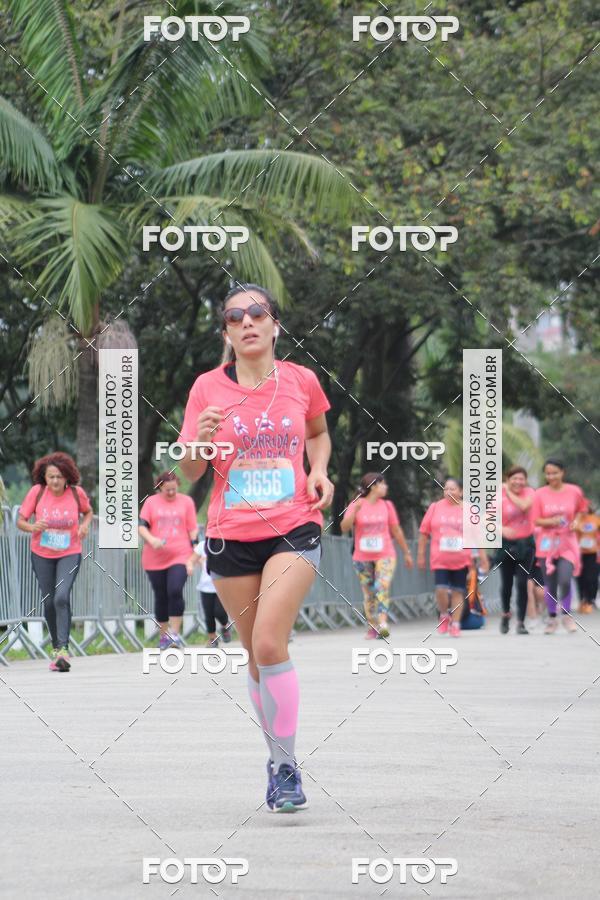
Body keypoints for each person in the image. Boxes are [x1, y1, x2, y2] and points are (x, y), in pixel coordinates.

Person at [178, 283, 333, 813]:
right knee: (253, 657)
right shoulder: (206, 388)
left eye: (257, 313)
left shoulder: (301, 380)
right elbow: (190, 470)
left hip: (294, 526)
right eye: (234, 316)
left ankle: (287, 768)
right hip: (230, 536)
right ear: (226, 332)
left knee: (269, 644)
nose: (247, 322)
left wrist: (319, 470)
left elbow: (318, 433)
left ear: (274, 325)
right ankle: (277, 760)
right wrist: (200, 439)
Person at [17, 452, 93, 672]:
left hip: (70, 552)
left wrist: (84, 525)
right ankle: (56, 647)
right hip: (41, 554)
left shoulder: (76, 493)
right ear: (44, 477)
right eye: (51, 477)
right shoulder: (37, 492)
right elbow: (20, 521)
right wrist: (33, 527)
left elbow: (88, 512)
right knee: (49, 601)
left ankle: (63, 651)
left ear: (67, 476)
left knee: (61, 597)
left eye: (59, 477)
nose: (55, 481)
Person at [340, 472, 413, 639]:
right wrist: (354, 511)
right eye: (383, 484)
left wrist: (406, 552)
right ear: (373, 486)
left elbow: (396, 530)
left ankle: (383, 623)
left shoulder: (387, 506)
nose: (386, 487)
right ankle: (372, 626)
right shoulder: (356, 504)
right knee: (369, 593)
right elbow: (344, 527)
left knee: (382, 586)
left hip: (385, 554)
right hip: (362, 557)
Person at [417, 477, 489, 637]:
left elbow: (477, 536)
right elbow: (424, 532)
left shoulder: (469, 509)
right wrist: (420, 555)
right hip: (440, 558)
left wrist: (483, 558)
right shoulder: (435, 507)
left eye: (453, 489)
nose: (448, 492)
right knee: (441, 589)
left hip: (462, 559)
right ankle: (444, 615)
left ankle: (455, 624)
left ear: (461, 492)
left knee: (458, 591)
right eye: (446, 489)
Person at [139, 472, 198, 649]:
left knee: (175, 590)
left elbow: (192, 528)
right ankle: (164, 636)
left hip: (180, 554)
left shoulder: (186, 502)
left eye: (174, 489)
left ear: (178, 486)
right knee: (161, 595)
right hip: (154, 558)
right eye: (167, 490)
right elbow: (141, 527)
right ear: (160, 488)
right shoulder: (151, 502)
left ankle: (175, 634)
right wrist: (152, 540)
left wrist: (196, 549)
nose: (171, 493)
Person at [531, 458, 586, 634]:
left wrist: (577, 521)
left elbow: (581, 510)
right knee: (550, 583)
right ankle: (552, 618)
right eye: (548, 473)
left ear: (563, 472)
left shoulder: (574, 491)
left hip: (567, 541)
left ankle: (567, 615)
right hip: (547, 543)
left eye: (555, 473)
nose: (551, 476)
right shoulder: (539, 494)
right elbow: (536, 520)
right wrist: (552, 521)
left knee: (565, 579)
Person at [497, 466, 536, 635]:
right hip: (506, 544)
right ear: (508, 479)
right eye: (514, 478)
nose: (518, 482)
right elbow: (485, 519)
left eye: (521, 479)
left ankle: (520, 622)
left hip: (525, 544)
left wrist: (507, 491)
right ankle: (506, 614)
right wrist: (501, 529)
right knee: (506, 583)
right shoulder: (498, 495)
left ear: (525, 481)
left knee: (522, 583)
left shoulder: (530, 492)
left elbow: (525, 506)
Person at [186, 547, 233, 645]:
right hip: (205, 587)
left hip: (221, 584)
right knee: (209, 614)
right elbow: (191, 560)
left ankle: (225, 626)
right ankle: (212, 639)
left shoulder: (224, 545)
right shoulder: (202, 546)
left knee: (219, 611)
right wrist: (190, 566)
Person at [575, 500, 600, 613]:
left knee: (591, 577)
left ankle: (590, 599)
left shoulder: (596, 519)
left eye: (586, 507)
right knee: (580, 577)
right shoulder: (577, 519)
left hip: (593, 553)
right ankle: (582, 599)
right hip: (578, 553)